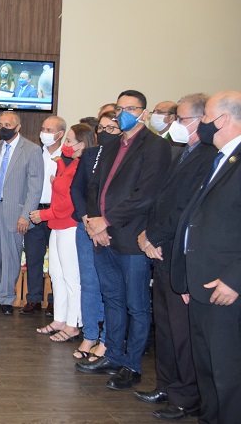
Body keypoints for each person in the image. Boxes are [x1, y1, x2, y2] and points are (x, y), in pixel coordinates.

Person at [77, 90, 171, 391]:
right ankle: (114, 355)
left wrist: (108, 222)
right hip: (101, 237)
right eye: (119, 108)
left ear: (143, 112)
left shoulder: (155, 146)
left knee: (136, 305)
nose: (122, 113)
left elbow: (145, 195)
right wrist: (94, 223)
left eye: (130, 108)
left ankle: (132, 365)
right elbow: (94, 188)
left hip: (131, 239)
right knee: (112, 300)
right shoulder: (111, 143)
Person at [133, 93, 216, 420]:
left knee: (181, 332)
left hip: (177, 251)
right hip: (160, 250)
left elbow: (186, 208)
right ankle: (167, 384)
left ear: (200, 121)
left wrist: (153, 235)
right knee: (165, 326)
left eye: (180, 119)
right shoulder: (182, 152)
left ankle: (186, 396)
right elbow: (160, 199)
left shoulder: (208, 156)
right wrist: (148, 235)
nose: (174, 125)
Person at [170, 91, 241, 424]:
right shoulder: (219, 158)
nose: (204, 125)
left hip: (225, 288)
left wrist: (234, 278)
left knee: (228, 377)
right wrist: (185, 274)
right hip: (200, 284)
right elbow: (196, 220)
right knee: (208, 374)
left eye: (208, 117)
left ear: (223, 120)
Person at [31, 123, 95, 342]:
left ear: (83, 144)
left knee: (71, 277)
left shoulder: (82, 167)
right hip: (56, 226)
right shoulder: (70, 164)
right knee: (56, 275)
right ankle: (59, 318)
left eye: (68, 141)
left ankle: (73, 323)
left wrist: (45, 214)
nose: (65, 145)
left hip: (68, 226)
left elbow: (69, 202)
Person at [0, 110, 43, 314]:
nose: (3, 129)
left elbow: (35, 187)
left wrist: (26, 215)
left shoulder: (32, 150)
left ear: (18, 127)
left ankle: (7, 298)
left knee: (11, 256)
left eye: (7, 125)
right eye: (0, 125)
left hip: (15, 212)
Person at [69, 110, 119, 360]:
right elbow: (77, 188)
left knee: (111, 288)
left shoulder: (128, 156)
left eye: (112, 128)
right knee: (88, 285)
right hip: (85, 227)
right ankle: (89, 335)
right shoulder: (90, 155)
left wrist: (103, 222)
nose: (106, 133)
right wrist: (85, 217)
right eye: (102, 128)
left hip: (113, 229)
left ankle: (108, 340)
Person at [21, 116, 66, 316]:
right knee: (33, 258)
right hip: (34, 211)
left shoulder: (67, 157)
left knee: (57, 261)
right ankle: (34, 299)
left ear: (60, 134)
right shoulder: (34, 153)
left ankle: (55, 302)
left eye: (49, 130)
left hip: (56, 214)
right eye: (43, 129)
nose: (44, 133)